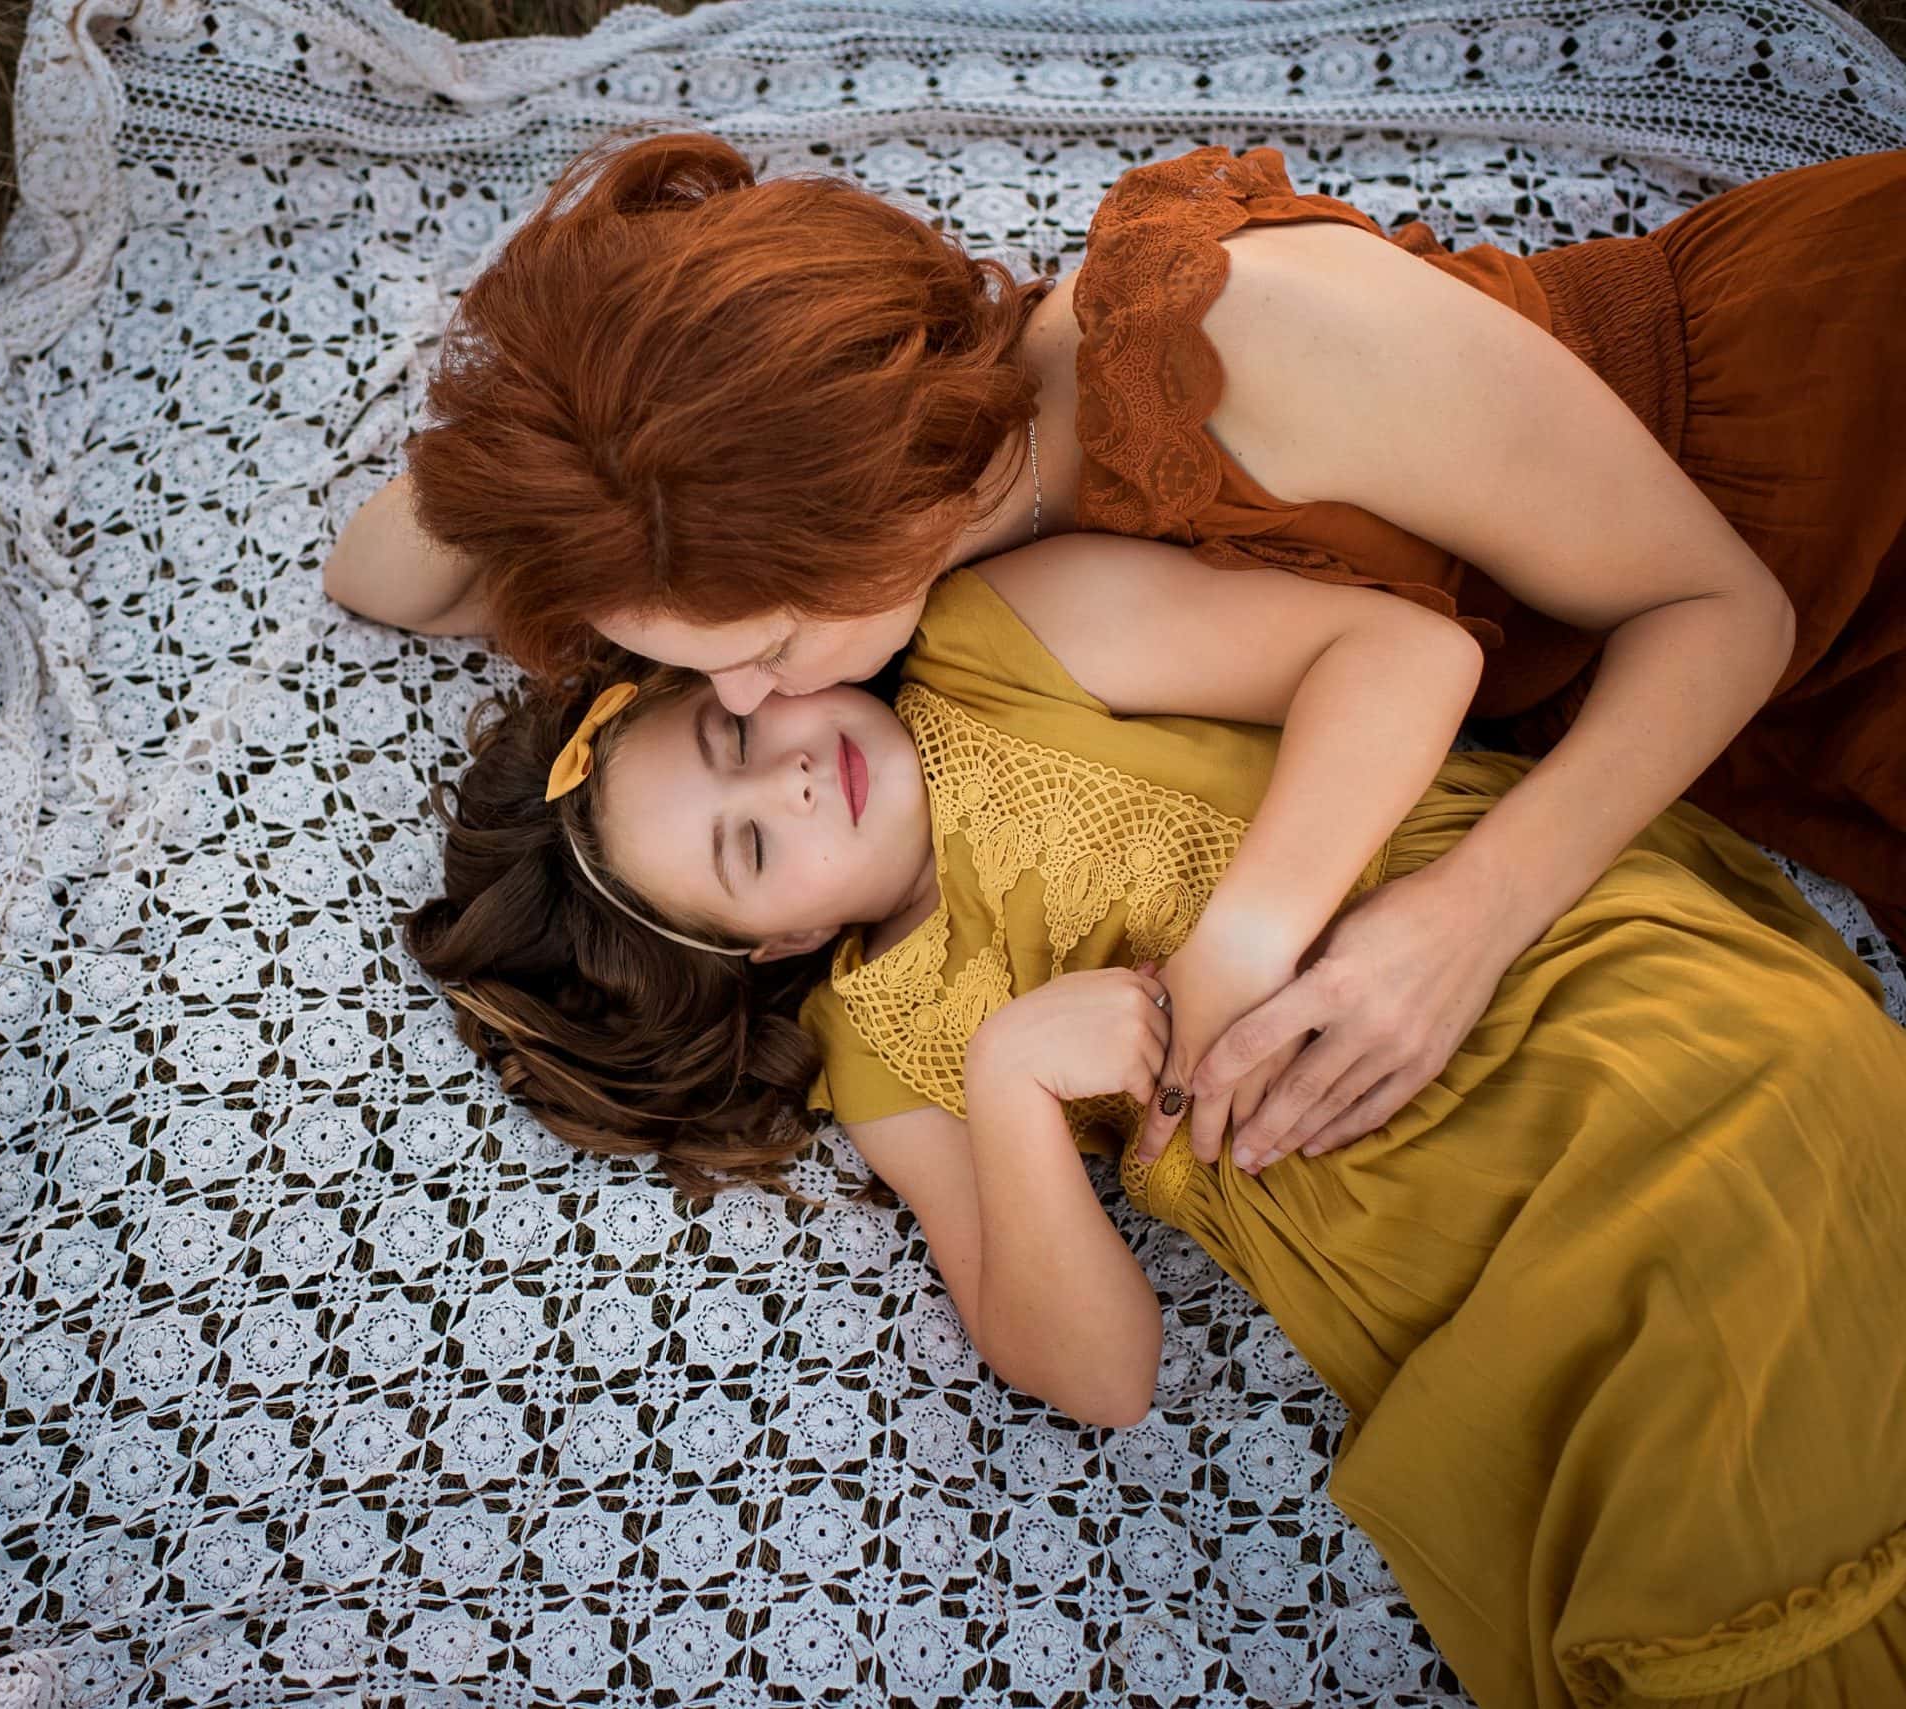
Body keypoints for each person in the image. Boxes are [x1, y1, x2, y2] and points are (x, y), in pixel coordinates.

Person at [403, 533, 1906, 1709]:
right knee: (1650, 1531)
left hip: (1550, 999)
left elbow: (1394, 650)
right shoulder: (877, 1047)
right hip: (1437, 1268)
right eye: (749, 847)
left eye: (732, 742)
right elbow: (1103, 1374)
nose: (792, 778)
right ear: (767, 951)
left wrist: (1246, 937)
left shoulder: (1002, 641)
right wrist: (1006, 1086)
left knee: (1734, 1350)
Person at [337, 132, 1906, 1174]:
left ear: (883, 521)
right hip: (1654, 653)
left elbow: (1724, 614)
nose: (742, 700)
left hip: (1809, 465)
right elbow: (379, 572)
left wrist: (1460, 921)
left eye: (768, 649)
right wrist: (583, 404)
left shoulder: (1254, 341)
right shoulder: (822, 535)